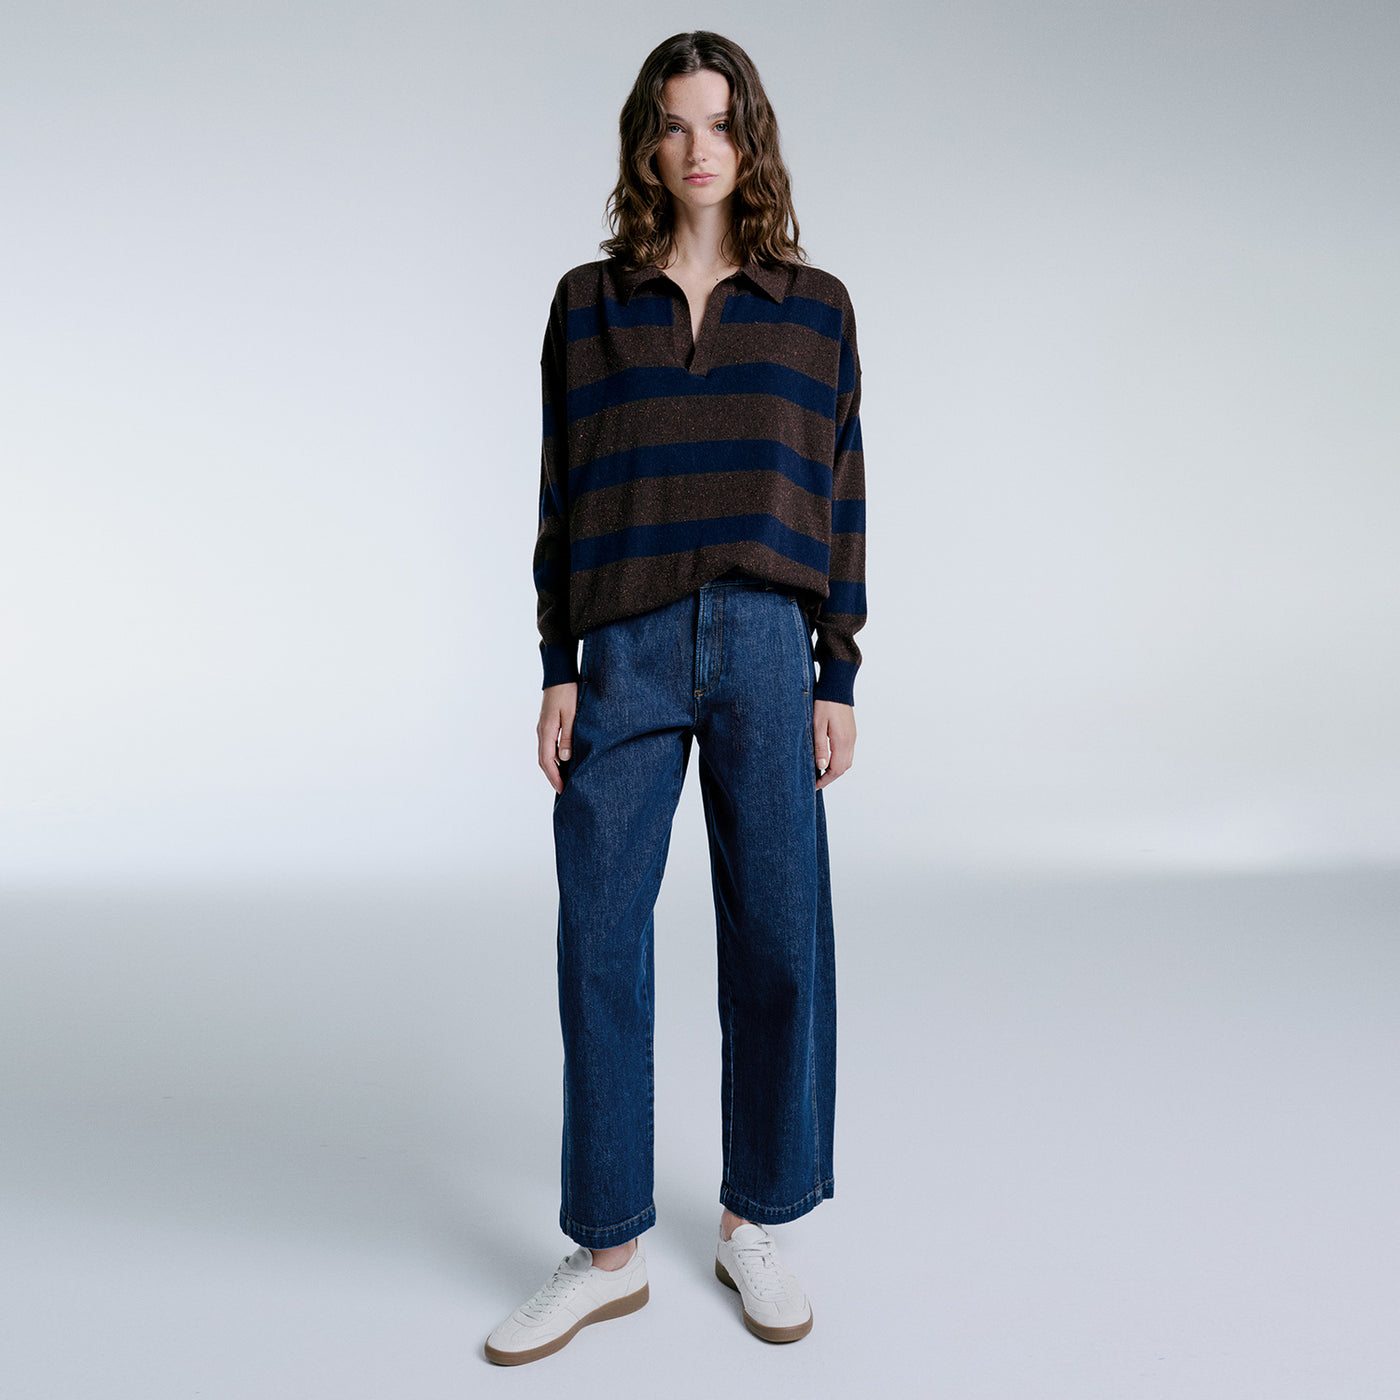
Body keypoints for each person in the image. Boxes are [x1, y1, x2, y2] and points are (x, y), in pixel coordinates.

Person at [485, 30, 866, 1366]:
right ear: (646, 143)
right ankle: (607, 1250)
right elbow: (560, 495)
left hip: (767, 641)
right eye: (674, 123)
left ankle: (756, 1220)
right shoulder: (588, 306)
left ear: (750, 140)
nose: (699, 148)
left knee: (778, 936)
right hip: (628, 645)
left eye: (720, 122)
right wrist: (557, 663)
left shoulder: (815, 309)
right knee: (600, 933)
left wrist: (837, 670)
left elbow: (840, 494)